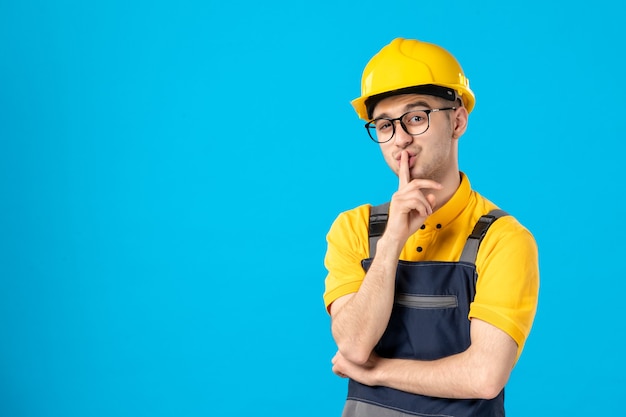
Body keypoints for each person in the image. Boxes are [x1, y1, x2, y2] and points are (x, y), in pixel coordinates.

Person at [323, 38, 540, 417]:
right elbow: (353, 346)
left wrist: (377, 371)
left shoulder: (503, 240)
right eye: (385, 125)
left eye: (416, 118)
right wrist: (392, 239)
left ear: (457, 120)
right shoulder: (353, 228)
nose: (401, 139)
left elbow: (485, 376)